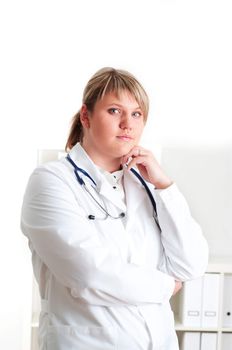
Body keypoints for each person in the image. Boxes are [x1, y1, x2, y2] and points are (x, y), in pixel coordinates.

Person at [21, 67, 208, 350]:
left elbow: (191, 263)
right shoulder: (51, 182)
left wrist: (165, 187)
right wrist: (165, 287)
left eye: (136, 114)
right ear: (86, 116)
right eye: (114, 111)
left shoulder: (145, 184)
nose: (127, 124)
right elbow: (90, 275)